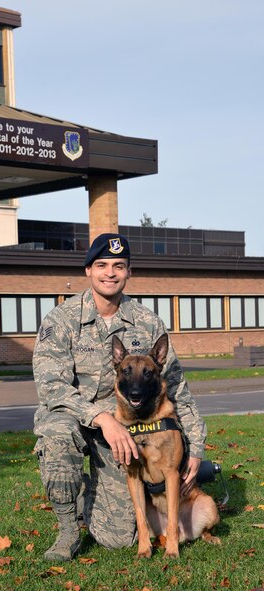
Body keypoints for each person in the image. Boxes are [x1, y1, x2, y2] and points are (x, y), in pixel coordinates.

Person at [32, 233, 206, 561]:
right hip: (80, 421)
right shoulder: (62, 319)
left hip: (130, 434)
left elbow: (177, 387)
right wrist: (102, 417)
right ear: (88, 270)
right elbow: (50, 386)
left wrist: (195, 448)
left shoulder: (147, 321)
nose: (110, 273)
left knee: (119, 539)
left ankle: (88, 495)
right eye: (102, 265)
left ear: (129, 272)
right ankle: (68, 530)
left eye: (118, 266)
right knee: (56, 431)